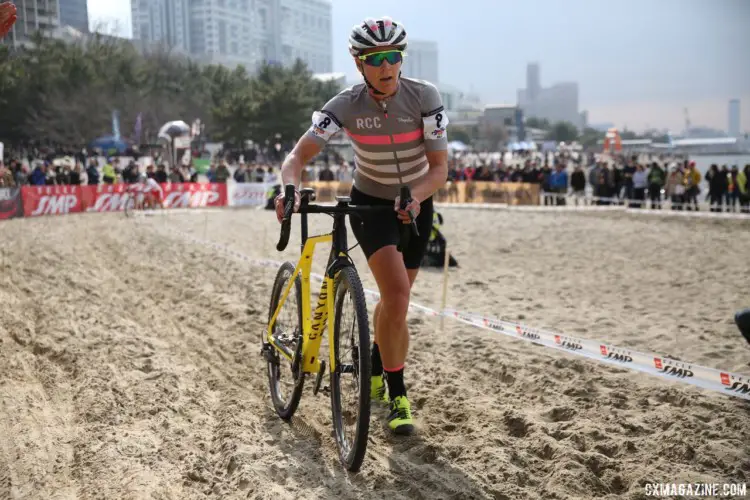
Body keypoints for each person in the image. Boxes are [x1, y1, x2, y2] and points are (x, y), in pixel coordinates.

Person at [274, 16, 449, 435]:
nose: (387, 66)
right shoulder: (345, 105)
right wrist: (288, 188)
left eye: (394, 56)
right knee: (397, 293)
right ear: (359, 64)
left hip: (416, 202)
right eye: (376, 59)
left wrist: (415, 195)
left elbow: (440, 169)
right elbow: (296, 158)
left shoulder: (424, 96)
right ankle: (397, 392)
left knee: (396, 304)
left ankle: (375, 362)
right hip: (370, 204)